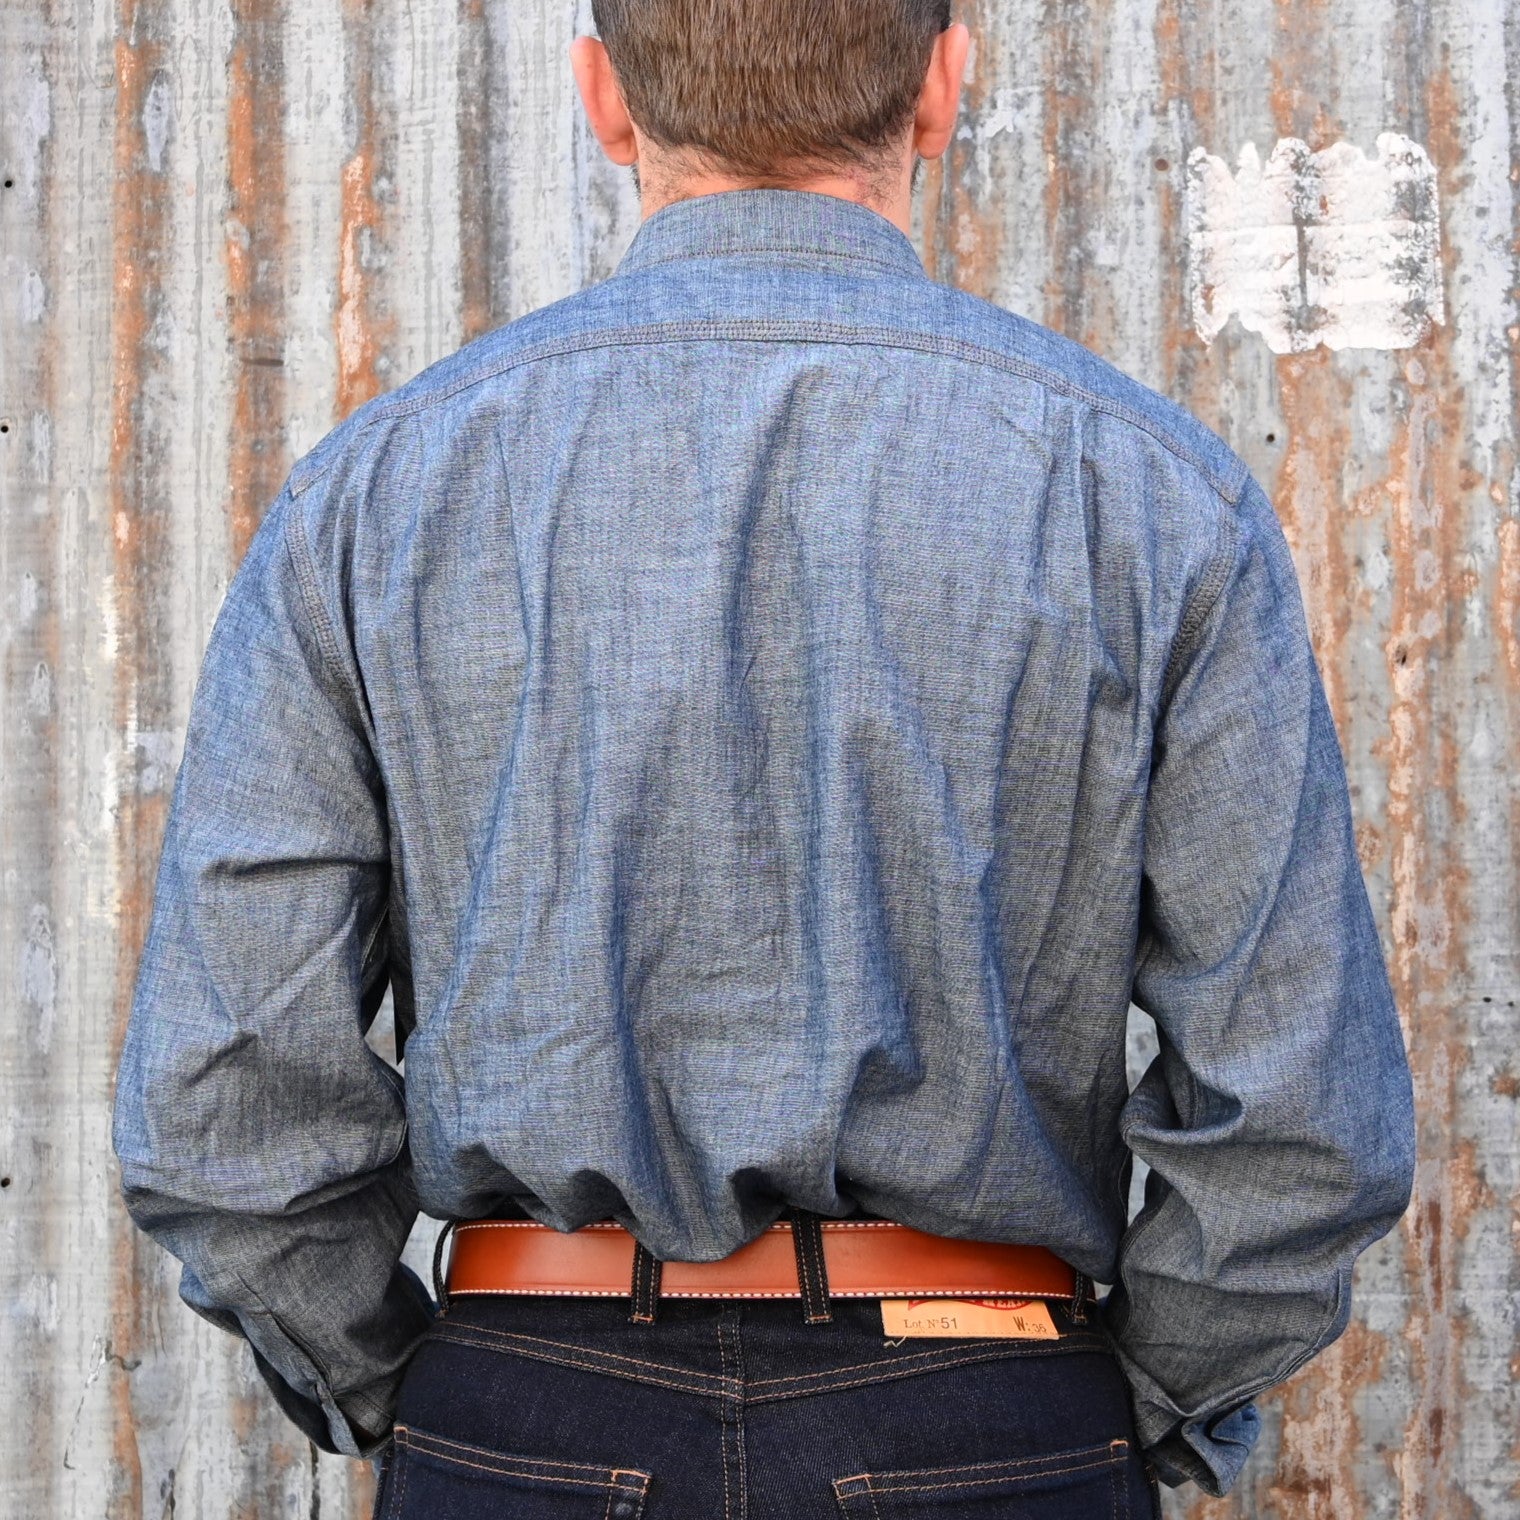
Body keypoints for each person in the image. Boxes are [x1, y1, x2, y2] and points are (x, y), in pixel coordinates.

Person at [111, 2, 1417, 1514]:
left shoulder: (374, 498)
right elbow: (1301, 1121)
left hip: (523, 1408)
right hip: (991, 1408)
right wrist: (1116, 1416)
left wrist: (418, 1397)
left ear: (603, 93)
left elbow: (225, 1107)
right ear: (943, 82)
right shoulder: (1157, 499)